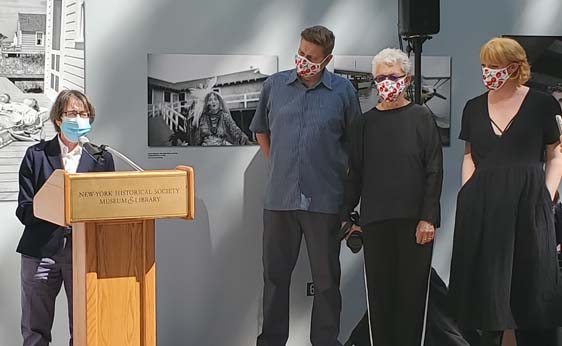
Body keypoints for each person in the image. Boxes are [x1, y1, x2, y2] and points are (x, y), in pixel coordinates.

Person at [250, 25, 361, 346]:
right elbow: (261, 131)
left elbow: (355, 143)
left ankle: (326, 341)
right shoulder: (275, 86)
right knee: (274, 278)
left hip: (325, 201)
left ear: (326, 60)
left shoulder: (343, 92)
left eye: (311, 57)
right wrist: (279, 166)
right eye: (300, 53)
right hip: (279, 200)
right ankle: (271, 341)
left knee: (327, 282)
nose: (303, 60)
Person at [449, 37, 562, 346]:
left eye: (495, 66)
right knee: (487, 289)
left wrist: (546, 194)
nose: (488, 72)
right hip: (482, 205)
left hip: (529, 202)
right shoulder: (473, 107)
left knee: (531, 284)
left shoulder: (541, 104)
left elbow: (555, 154)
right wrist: (467, 193)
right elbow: (469, 156)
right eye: (485, 66)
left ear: (514, 68)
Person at [340, 48, 443, 346]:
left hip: (416, 225)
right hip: (375, 223)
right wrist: (346, 217)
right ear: (374, 81)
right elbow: (354, 173)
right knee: (381, 300)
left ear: (406, 78)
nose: (387, 82)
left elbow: (434, 171)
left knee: (412, 301)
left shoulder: (422, 117)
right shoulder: (363, 123)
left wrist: (428, 218)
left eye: (393, 76)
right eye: (381, 77)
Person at [16, 90, 115, 346]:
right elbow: (24, 209)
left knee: (85, 328)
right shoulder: (36, 155)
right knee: (35, 330)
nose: (79, 119)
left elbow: (109, 209)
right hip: (41, 253)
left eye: (84, 114)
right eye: (72, 113)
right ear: (58, 119)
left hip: (84, 254)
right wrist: (52, 208)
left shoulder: (101, 158)